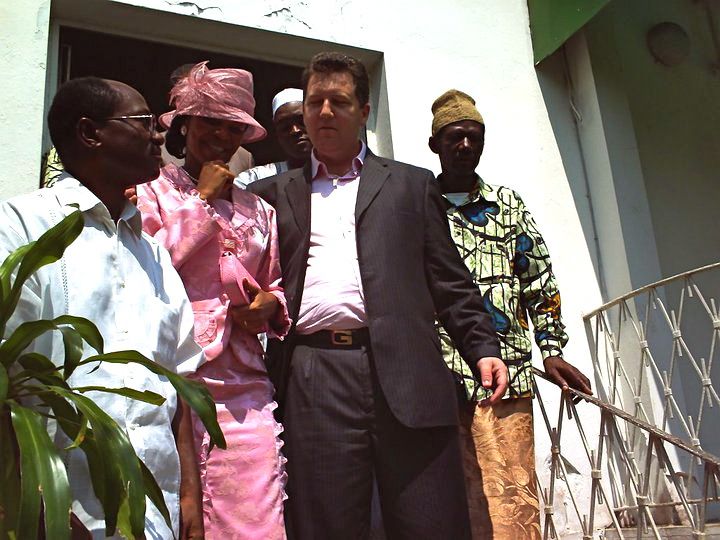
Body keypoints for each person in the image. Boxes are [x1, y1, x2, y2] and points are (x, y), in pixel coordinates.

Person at [248, 52, 508, 540]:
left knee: (429, 518)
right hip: (313, 376)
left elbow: (449, 280)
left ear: (364, 111)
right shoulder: (271, 195)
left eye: (339, 101)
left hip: (408, 370)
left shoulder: (411, 186)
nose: (325, 112)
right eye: (315, 102)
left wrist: (483, 347)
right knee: (327, 522)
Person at [0, 76, 204, 539]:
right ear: (91, 132)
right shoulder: (21, 227)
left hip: (157, 511)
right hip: (61, 507)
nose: (159, 135)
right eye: (144, 122)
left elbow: (179, 383)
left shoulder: (153, 254)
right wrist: (36, 496)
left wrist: (189, 498)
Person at [428, 89, 593, 539]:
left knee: (513, 493)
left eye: (474, 138)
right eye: (454, 137)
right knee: (453, 494)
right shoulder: (419, 208)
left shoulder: (508, 207)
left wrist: (552, 349)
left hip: (507, 372)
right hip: (440, 374)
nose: (465, 147)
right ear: (435, 145)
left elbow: (539, 280)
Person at [136, 61, 291, 540]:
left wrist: (269, 306)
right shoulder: (150, 195)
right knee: (173, 518)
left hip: (245, 387)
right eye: (210, 122)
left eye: (234, 126)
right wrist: (199, 201)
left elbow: (275, 282)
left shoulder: (259, 209)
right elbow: (144, 272)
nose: (222, 136)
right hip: (170, 380)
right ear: (184, 125)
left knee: (256, 515)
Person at [235, 87, 312, 189]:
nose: (295, 130)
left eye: (302, 122)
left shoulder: (339, 176)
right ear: (277, 135)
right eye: (285, 127)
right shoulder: (254, 180)